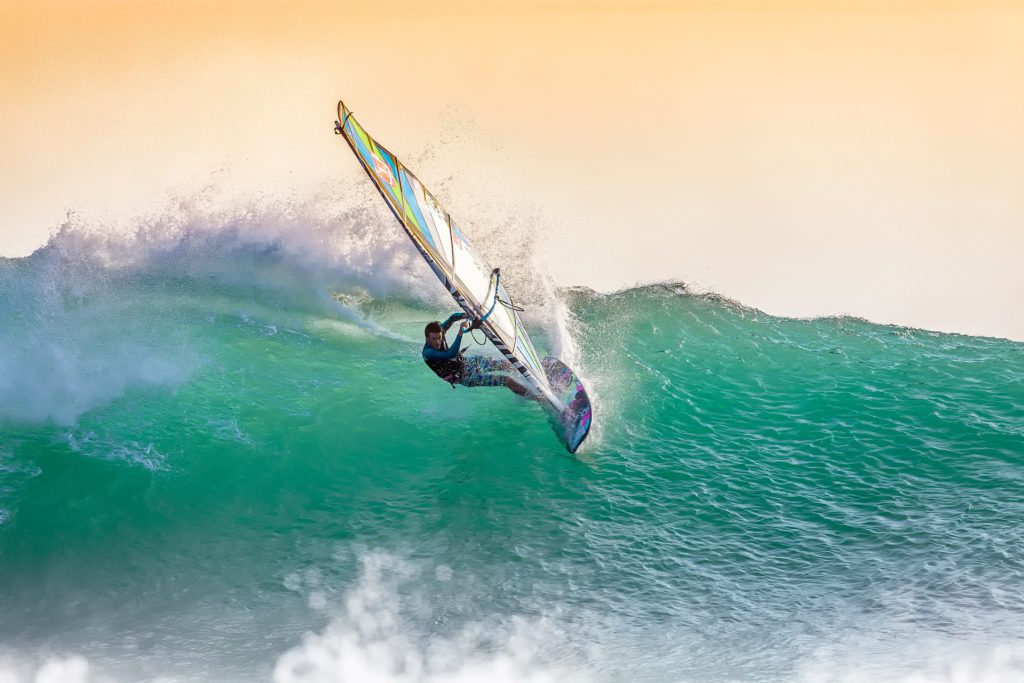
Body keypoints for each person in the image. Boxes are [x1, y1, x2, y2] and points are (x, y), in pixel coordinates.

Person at [422, 312, 532, 397]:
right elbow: (451, 354)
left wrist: (466, 315)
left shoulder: (439, 330)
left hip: (466, 362)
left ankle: (532, 372)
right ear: (427, 337)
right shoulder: (428, 353)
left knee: (504, 365)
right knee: (506, 380)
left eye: (439, 338)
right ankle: (535, 397)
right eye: (433, 339)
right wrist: (461, 331)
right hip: (464, 377)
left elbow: (452, 318)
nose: (437, 341)